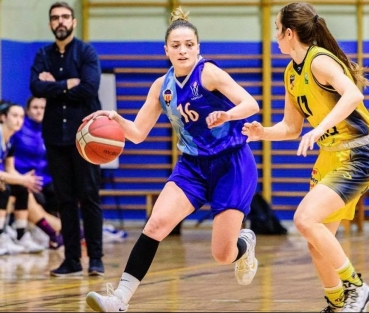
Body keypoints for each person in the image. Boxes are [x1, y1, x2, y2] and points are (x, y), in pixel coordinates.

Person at [85, 6, 259, 312]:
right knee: (155, 225)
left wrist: (227, 114)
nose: (183, 50)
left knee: (222, 254)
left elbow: (251, 103)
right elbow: (138, 133)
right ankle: (119, 299)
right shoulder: (161, 87)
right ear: (166, 50)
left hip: (231, 164)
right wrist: (115, 119)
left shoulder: (209, 73)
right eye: (176, 46)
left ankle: (244, 243)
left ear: (198, 48)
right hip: (191, 167)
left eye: (189, 45)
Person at [242, 2, 369, 312]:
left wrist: (318, 129)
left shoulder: (320, 60)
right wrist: (262, 132)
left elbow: (353, 94)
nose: (275, 36)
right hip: (330, 157)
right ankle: (336, 304)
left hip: (359, 153)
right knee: (315, 239)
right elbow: (291, 128)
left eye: (277, 30)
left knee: (304, 219)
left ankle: (357, 288)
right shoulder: (291, 73)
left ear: (289, 33)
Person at [29, 1, 104, 276]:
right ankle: (72, 260)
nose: (60, 21)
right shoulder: (43, 54)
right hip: (55, 136)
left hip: (85, 137)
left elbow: (89, 88)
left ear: (73, 21)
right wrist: (67, 83)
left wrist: (53, 87)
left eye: (65, 17)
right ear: (50, 24)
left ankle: (95, 258)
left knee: (89, 196)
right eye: (55, 18)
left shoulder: (86, 52)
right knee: (65, 200)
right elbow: (35, 86)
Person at [10, 96, 63, 249]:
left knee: (64, 193)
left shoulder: (50, 129)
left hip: (44, 180)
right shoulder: (17, 131)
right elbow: (8, 164)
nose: (39, 111)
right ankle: (59, 233)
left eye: (42, 107)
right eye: (35, 107)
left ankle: (56, 232)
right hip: (22, 178)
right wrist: (23, 179)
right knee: (26, 194)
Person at [0, 100, 44, 256]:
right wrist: (21, 179)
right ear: (3, 117)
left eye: (21, 116)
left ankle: (20, 235)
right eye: (14, 116)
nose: (19, 120)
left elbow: (10, 169)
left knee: (21, 189)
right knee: (3, 190)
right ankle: (1, 236)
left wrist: (25, 180)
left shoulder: (11, 140)